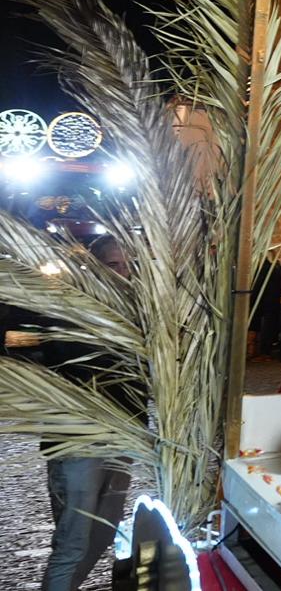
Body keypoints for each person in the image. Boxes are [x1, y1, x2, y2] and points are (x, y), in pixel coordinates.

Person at [40, 235, 144, 591]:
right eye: (114, 265)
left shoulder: (137, 311)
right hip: (78, 441)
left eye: (129, 265)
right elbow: (62, 361)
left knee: (103, 534)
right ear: (95, 267)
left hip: (123, 438)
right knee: (73, 542)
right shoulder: (70, 307)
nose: (123, 273)